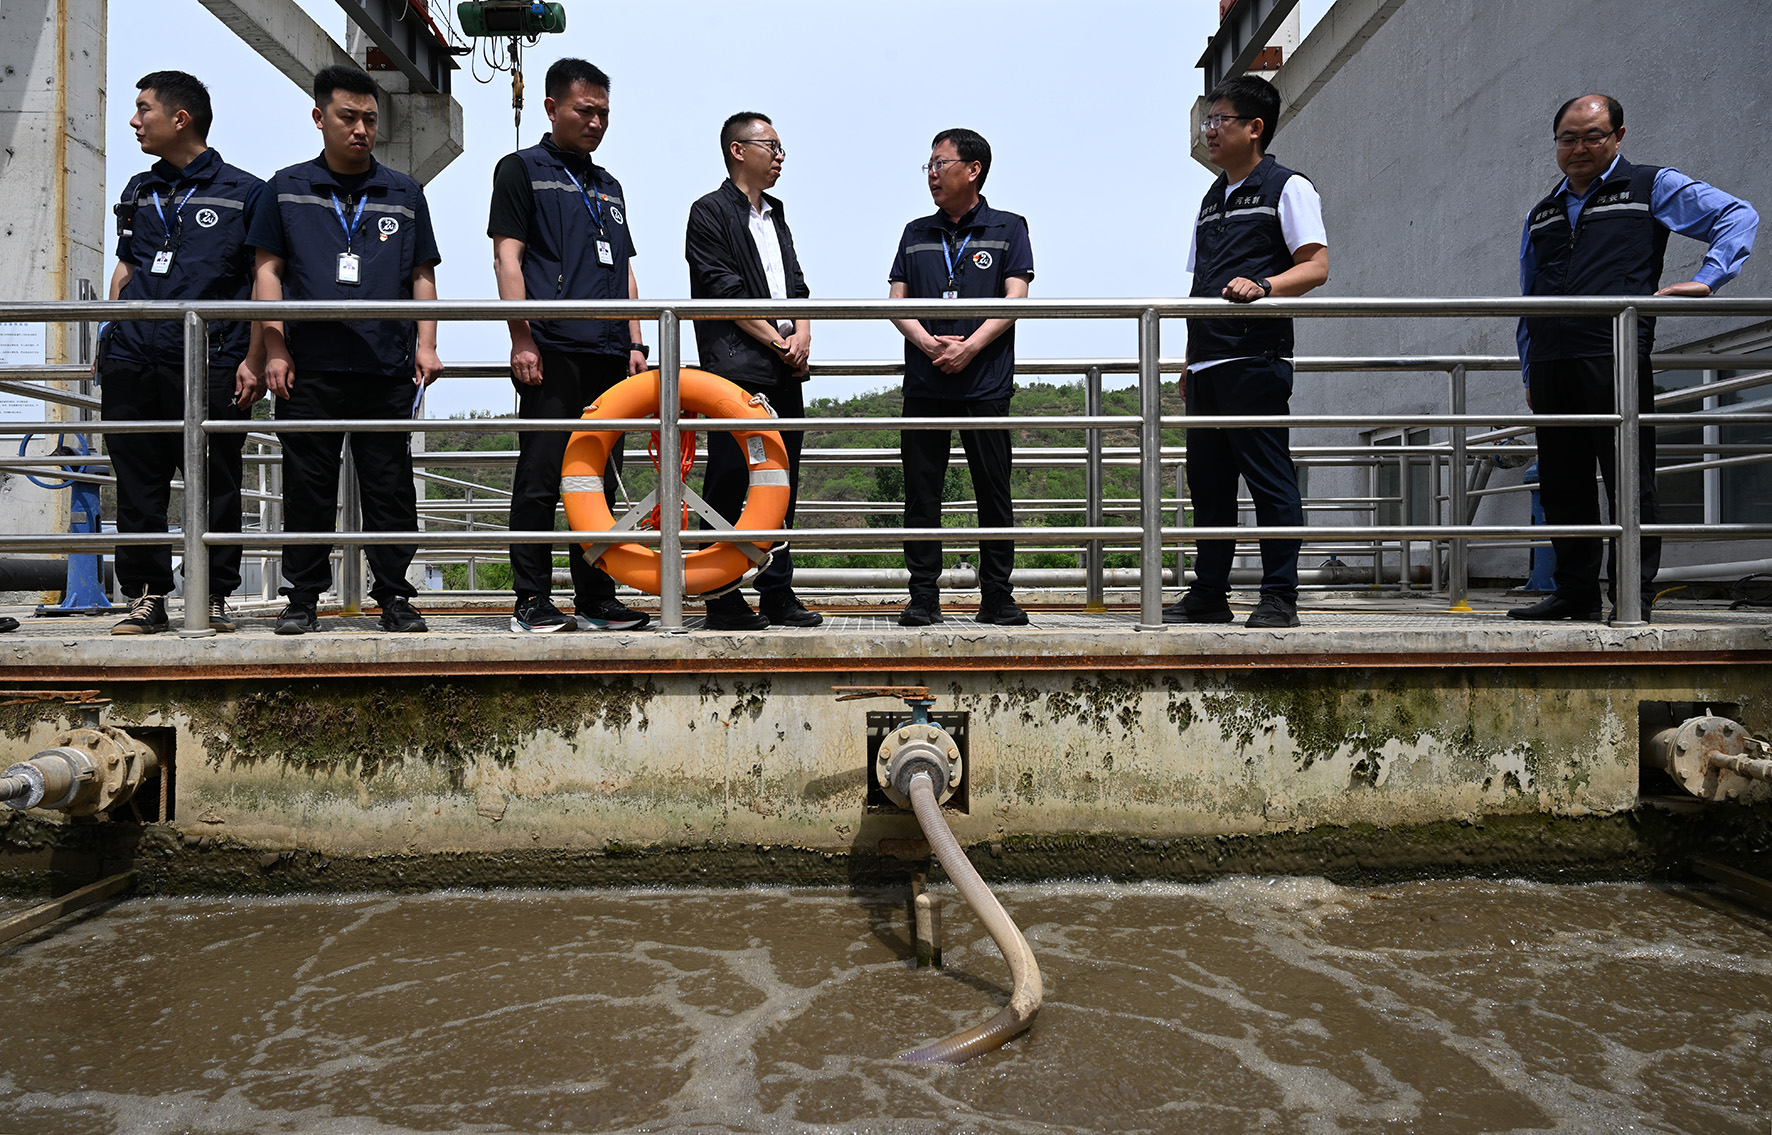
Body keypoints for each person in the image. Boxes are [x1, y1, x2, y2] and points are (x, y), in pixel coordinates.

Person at [1508, 93, 1758, 624]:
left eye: (1592, 136)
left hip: (1614, 353)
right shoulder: (1542, 212)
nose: (1579, 148)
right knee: (1562, 483)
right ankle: (1574, 593)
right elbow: (1528, 295)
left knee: (1629, 480)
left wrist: (1708, 278)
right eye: (1568, 139)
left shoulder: (1649, 186)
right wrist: (1529, 366)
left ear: (1618, 136)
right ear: (1556, 144)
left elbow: (1736, 215)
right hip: (1551, 361)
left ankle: (1630, 596)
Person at [245, 64, 443, 635]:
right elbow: (267, 272)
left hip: (384, 365)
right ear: (319, 117)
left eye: (370, 119)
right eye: (348, 117)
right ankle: (302, 598)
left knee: (390, 486)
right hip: (308, 366)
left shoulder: (404, 192)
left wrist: (427, 344)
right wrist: (275, 348)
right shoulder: (285, 188)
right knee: (307, 486)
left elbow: (422, 274)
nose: (361, 129)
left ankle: (396, 597)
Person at [489, 58, 650, 633]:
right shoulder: (520, 170)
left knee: (599, 481)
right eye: (585, 110)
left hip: (610, 353)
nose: (596, 122)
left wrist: (636, 340)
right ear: (552, 108)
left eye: (604, 113)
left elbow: (625, 268)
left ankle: (596, 598)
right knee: (540, 477)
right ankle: (531, 598)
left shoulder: (609, 185)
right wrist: (521, 336)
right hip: (552, 349)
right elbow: (507, 257)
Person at [101, 71, 262, 635]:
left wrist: (254, 357)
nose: (134, 120)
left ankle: (212, 594)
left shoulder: (246, 192)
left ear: (180, 118)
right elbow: (128, 267)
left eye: (143, 108)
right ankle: (147, 596)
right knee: (136, 483)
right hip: (133, 358)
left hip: (211, 361)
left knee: (216, 481)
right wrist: (109, 332)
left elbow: (261, 283)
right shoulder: (138, 189)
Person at [1165, 74, 1328, 630]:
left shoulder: (1288, 187)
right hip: (1207, 361)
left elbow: (1316, 266)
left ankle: (1280, 596)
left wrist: (1265, 286)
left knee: (1269, 479)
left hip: (1255, 357)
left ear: (1254, 128)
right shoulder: (1212, 198)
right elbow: (1200, 286)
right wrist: (1188, 361)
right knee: (1209, 484)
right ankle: (1209, 592)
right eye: (1207, 121)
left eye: (1220, 120)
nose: (1209, 131)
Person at [887, 128, 1034, 628]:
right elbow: (896, 303)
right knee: (921, 491)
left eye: (940, 163)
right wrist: (929, 344)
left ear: (972, 170)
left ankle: (997, 596)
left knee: (993, 489)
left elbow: (1016, 299)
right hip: (926, 380)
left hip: (984, 381)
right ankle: (923, 596)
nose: (931, 174)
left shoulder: (1009, 227)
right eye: (928, 165)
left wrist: (971, 346)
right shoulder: (915, 232)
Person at [684, 112, 821, 631]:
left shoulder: (775, 215)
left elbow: (797, 286)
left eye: (782, 148)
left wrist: (802, 334)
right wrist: (779, 340)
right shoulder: (709, 212)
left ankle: (777, 592)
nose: (780, 157)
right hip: (737, 369)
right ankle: (720, 594)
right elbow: (725, 293)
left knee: (782, 482)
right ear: (738, 150)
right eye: (772, 146)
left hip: (785, 368)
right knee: (729, 479)